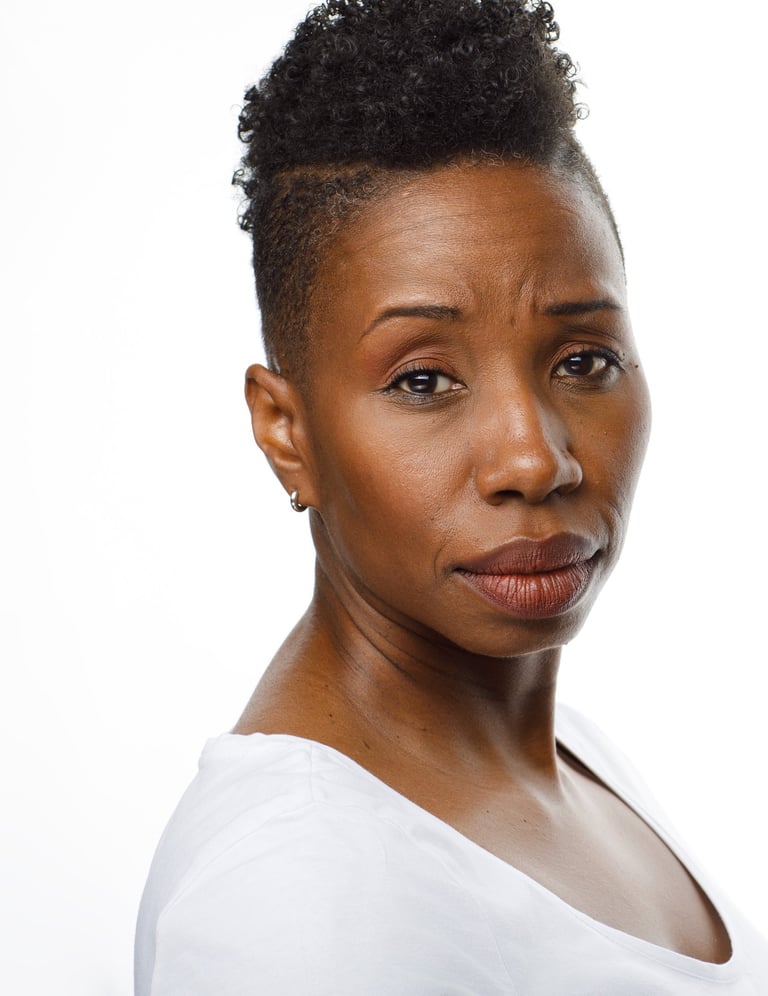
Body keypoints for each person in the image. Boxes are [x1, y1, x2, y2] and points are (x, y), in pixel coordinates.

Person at [135, 0, 768, 991]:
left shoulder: (557, 754)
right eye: (422, 379)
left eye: (584, 359)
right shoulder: (293, 896)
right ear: (285, 431)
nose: (534, 459)